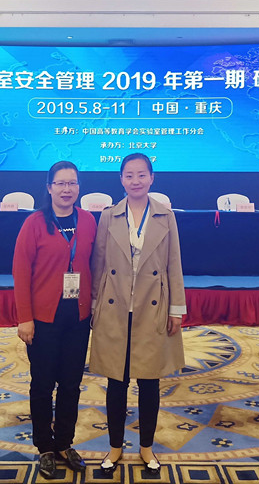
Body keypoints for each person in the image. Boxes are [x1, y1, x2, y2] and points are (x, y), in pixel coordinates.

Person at [89, 153, 186, 475]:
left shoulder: (166, 216)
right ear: (121, 179)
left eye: (142, 175)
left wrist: (176, 309)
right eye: (129, 175)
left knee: (149, 382)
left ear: (152, 178)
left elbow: (174, 264)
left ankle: (146, 448)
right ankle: (115, 447)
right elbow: (99, 264)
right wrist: (94, 306)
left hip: (152, 308)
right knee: (115, 383)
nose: (135, 181)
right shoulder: (109, 216)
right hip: (114, 308)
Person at [12, 161, 98, 478]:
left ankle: (64, 442)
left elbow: (95, 264)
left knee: (71, 384)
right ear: (49, 188)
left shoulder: (88, 221)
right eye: (60, 183)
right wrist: (25, 318)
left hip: (78, 315)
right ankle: (44, 447)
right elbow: (21, 272)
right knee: (43, 384)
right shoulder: (34, 223)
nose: (66, 189)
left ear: (79, 187)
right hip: (43, 317)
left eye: (72, 183)